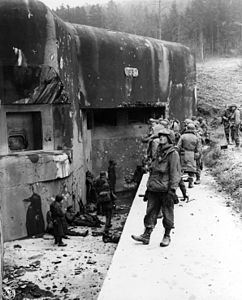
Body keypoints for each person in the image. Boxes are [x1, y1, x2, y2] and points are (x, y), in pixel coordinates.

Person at [131, 128, 181, 247]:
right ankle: (146, 235)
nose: (161, 138)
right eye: (161, 136)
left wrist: (172, 189)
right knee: (150, 212)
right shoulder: (158, 151)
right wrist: (149, 186)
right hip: (154, 188)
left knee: (167, 214)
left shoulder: (173, 154)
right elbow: (153, 170)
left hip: (165, 189)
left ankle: (167, 236)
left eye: (164, 136)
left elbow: (175, 173)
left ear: (169, 139)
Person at [176, 123, 202, 188]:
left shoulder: (183, 136)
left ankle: (180, 184)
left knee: (181, 169)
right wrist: (197, 155)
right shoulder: (196, 137)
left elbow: (178, 146)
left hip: (183, 154)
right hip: (192, 154)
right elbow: (199, 148)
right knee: (191, 169)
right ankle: (190, 183)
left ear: (187, 128)